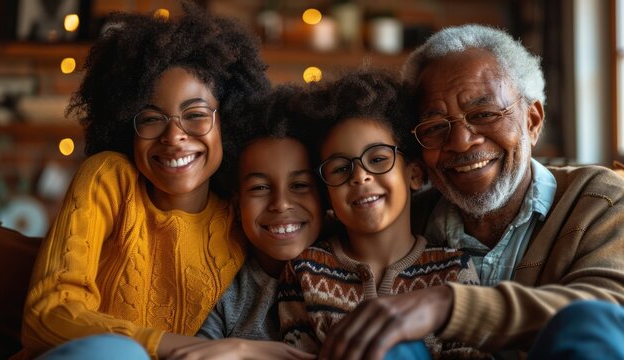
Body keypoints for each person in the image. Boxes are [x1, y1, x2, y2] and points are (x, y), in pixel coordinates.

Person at [317, 24, 624, 360]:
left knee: (588, 320)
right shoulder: (403, 220)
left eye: (484, 114)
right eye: (435, 127)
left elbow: (609, 310)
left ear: (533, 121)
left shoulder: (599, 198)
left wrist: (448, 304)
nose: (461, 141)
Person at [16, 4, 270, 359]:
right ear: (124, 124)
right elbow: (46, 314)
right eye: (151, 118)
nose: (174, 136)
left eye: (195, 115)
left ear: (229, 122)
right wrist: (178, 346)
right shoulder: (109, 178)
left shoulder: (244, 212)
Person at [276, 70, 484, 359]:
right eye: (340, 168)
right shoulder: (305, 271)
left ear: (413, 175)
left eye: (377, 160)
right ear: (326, 191)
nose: (360, 177)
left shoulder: (454, 271)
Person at [169, 85, 322, 359]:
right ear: (237, 205)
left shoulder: (349, 271)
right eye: (259, 188)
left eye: (299, 185)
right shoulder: (223, 289)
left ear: (324, 197)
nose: (281, 203)